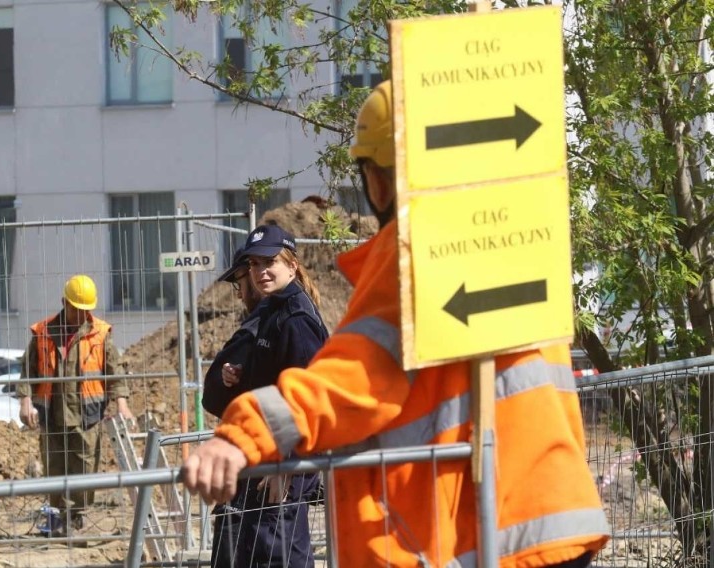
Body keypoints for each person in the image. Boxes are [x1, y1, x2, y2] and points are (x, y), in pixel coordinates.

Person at [182, 81, 610, 567]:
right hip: (552, 516)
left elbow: (350, 382)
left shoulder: (418, 253)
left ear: (377, 180)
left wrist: (244, 433)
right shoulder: (513, 234)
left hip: (491, 534)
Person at [215, 224, 329, 568]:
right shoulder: (272, 310)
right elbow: (274, 381)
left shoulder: (295, 318)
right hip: (267, 457)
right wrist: (236, 375)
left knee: (280, 553)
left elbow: (308, 397)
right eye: (254, 265)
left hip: (283, 463)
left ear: (292, 266)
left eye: (269, 262)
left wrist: (286, 465)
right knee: (259, 552)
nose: (260, 272)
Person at [17, 274, 133, 537]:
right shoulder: (43, 332)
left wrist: (122, 404)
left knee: (84, 466)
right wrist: (25, 401)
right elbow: (27, 371)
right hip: (52, 413)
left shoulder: (100, 334)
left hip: (87, 414)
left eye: (86, 310)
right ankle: (57, 517)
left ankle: (77, 517)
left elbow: (115, 372)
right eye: (77, 309)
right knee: (54, 465)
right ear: (64, 303)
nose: (82, 315)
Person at [202, 247, 265, 567]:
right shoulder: (260, 321)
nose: (239, 292)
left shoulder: (264, 324)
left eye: (240, 282)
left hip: (256, 461)